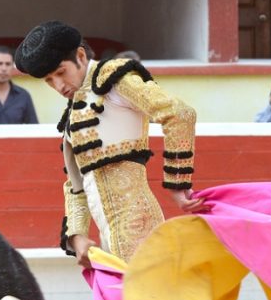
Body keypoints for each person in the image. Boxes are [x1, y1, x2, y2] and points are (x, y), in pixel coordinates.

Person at [14, 20, 206, 268]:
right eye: (49, 81)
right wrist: (77, 235)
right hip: (107, 238)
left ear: (80, 56)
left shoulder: (114, 80)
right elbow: (76, 185)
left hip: (140, 227)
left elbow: (180, 114)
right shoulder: (72, 114)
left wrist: (178, 183)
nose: (58, 86)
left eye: (61, 73)